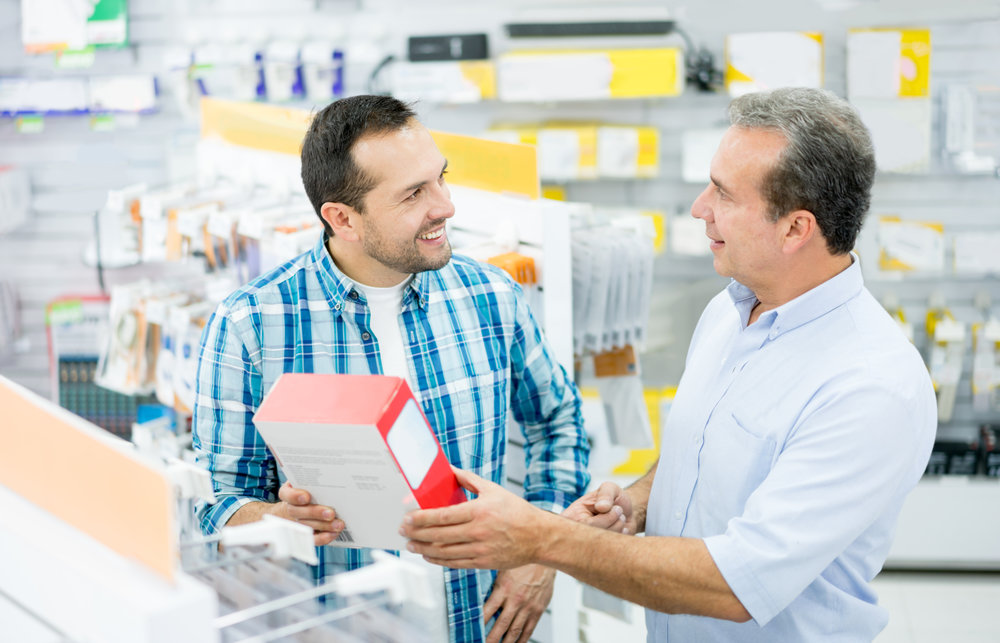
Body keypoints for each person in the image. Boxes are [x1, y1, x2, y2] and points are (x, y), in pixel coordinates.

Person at [401, 87, 937, 641]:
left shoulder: (870, 386)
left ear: (796, 228)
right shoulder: (731, 310)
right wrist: (633, 505)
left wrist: (542, 538)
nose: (699, 207)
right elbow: (706, 447)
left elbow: (735, 585)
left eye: (724, 194)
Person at [191, 94, 590, 643]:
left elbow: (559, 423)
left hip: (476, 622)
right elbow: (216, 502)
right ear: (342, 218)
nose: (446, 205)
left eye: (440, 178)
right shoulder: (251, 325)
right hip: (337, 627)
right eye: (413, 194)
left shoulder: (490, 295)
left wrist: (544, 549)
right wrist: (270, 523)